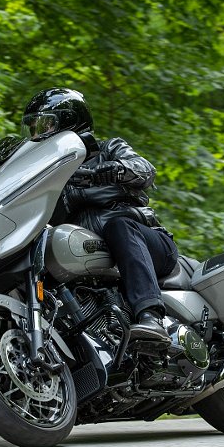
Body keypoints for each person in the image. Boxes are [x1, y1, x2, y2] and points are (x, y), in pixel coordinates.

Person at [21, 87, 177, 343]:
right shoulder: (49, 175)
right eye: (33, 127)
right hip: (95, 253)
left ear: (69, 121)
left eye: (44, 124)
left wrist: (113, 170)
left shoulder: (109, 149)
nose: (37, 134)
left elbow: (145, 170)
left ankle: (152, 316)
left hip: (149, 243)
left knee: (119, 225)